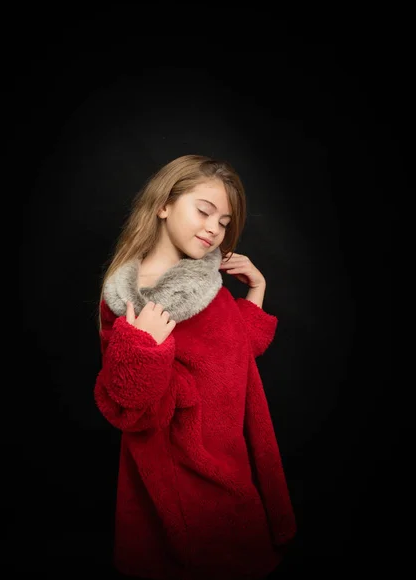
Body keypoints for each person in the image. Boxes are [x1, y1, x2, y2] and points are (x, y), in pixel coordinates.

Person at [94, 154, 296, 580]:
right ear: (164, 204)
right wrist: (143, 346)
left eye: (223, 222)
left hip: (232, 457)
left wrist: (256, 290)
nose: (214, 229)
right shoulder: (128, 299)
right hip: (179, 476)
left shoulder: (207, 282)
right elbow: (128, 408)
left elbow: (235, 352)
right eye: (204, 211)